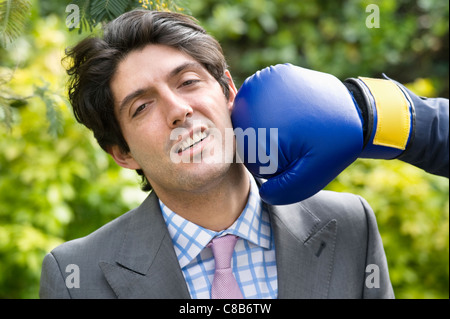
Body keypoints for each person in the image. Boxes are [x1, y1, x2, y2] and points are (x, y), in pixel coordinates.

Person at [40, 9, 394, 299]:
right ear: (122, 153)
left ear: (228, 91)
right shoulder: (76, 275)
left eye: (188, 81)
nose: (178, 110)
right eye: (143, 106)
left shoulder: (351, 225)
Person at [232, 64, 449, 205]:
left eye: (195, 82)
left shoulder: (352, 220)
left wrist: (365, 110)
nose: (194, 111)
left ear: (230, 92)